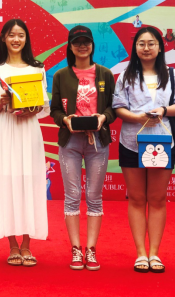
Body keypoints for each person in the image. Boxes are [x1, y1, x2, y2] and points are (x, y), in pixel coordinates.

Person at [112, 26, 175, 274]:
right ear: (135, 47)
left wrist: (163, 111)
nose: (146, 48)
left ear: (160, 46)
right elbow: (118, 107)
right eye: (141, 43)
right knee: (136, 199)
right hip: (131, 142)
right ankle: (140, 254)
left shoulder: (172, 74)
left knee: (157, 199)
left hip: (162, 142)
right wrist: (137, 117)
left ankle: (154, 253)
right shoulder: (125, 76)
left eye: (151, 43)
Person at [50, 25, 117, 271]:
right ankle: (76, 249)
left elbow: (113, 108)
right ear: (70, 46)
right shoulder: (60, 75)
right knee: (72, 195)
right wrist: (65, 120)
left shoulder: (105, 73)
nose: (82, 46)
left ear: (92, 45)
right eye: (77, 42)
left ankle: (91, 249)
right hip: (70, 141)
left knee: (94, 197)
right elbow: (55, 110)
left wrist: (103, 118)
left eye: (86, 41)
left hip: (97, 141)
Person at [0, 19, 49, 267]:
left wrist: (30, 108)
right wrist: (2, 102)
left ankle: (27, 245)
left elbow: (41, 106)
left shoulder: (38, 69)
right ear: (3, 38)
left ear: (26, 39)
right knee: (7, 182)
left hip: (29, 129)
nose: (16, 39)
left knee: (31, 182)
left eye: (21, 35)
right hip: (6, 129)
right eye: (11, 35)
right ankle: (12, 245)